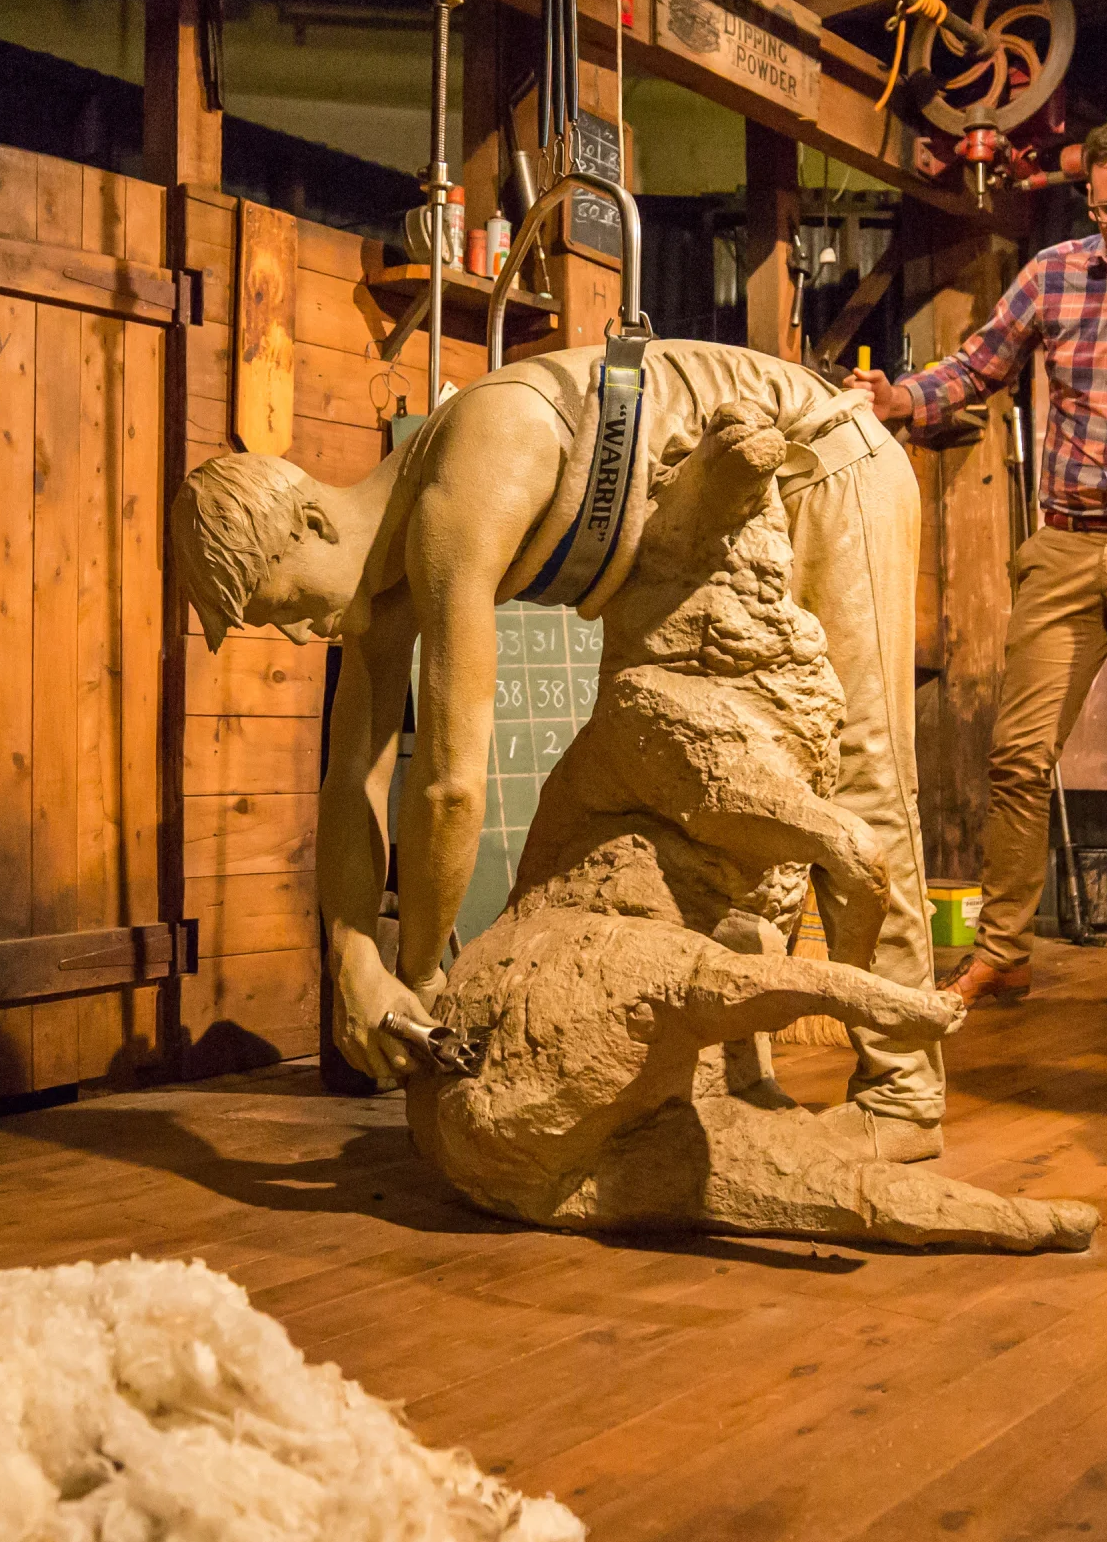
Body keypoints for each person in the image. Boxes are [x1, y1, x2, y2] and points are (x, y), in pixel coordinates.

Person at [169, 337, 947, 1157]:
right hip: (686, 553)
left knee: (859, 775)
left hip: (818, 468)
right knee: (677, 808)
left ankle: (904, 1097)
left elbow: (449, 786)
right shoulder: (377, 591)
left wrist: (427, 976)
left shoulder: (454, 493)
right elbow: (351, 781)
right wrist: (352, 952)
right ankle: (730, 1086)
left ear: (314, 522)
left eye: (280, 602)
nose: (294, 633)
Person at [854, 106, 1107, 1046]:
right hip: (1068, 537)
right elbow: (977, 367)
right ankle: (1003, 953)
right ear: (1091, 200)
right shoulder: (1053, 275)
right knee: (1016, 753)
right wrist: (897, 400)